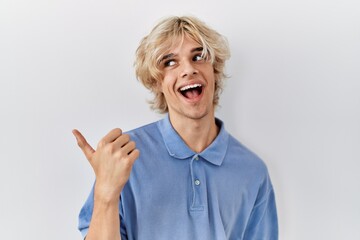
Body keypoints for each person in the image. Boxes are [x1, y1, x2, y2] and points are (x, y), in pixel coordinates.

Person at [73, 15, 278, 240]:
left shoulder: (253, 171)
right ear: (156, 81)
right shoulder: (124, 158)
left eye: (198, 56)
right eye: (170, 62)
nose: (188, 69)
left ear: (215, 70)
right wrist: (105, 195)